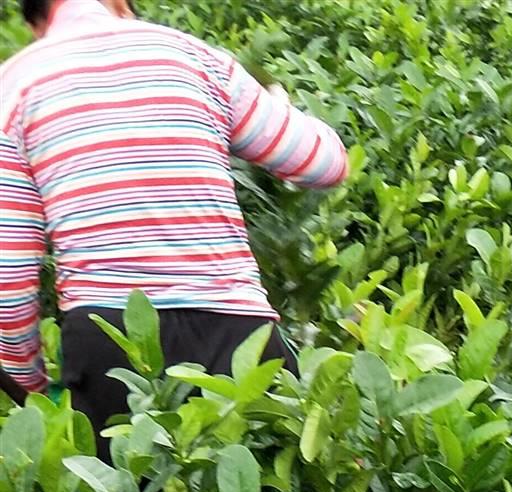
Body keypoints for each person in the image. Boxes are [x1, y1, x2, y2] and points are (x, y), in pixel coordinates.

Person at [0, 0, 347, 437]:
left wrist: (29, 386)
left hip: (109, 345)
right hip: (240, 337)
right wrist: (278, 107)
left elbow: (8, 274)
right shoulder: (196, 56)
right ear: (122, 5)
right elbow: (326, 163)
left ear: (36, 23)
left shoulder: (13, 84)